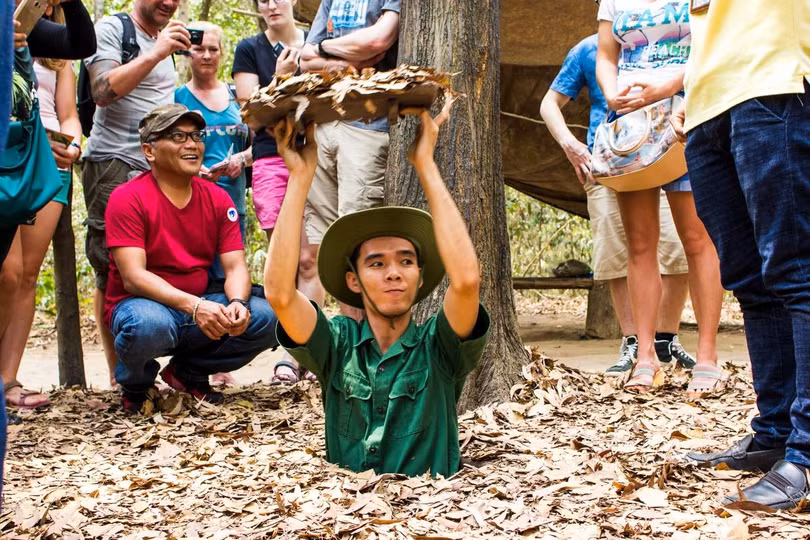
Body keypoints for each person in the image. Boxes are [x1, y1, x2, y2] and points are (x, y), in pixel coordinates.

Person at [264, 100, 490, 477]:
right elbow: (279, 295)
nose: (393, 274)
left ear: (420, 277)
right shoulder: (337, 345)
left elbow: (467, 281)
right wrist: (301, 177)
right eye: (377, 263)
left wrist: (425, 164)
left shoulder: (438, 347)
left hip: (433, 509)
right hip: (349, 511)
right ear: (353, 280)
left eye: (406, 261)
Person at [671, 0, 810, 510]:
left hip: (774, 82)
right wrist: (689, 88)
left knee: (797, 272)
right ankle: (775, 433)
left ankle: (806, 455)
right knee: (751, 282)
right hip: (707, 107)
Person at [104, 104, 278, 413]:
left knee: (266, 315)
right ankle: (136, 384)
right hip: (144, 306)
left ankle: (188, 372)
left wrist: (238, 303)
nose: (192, 144)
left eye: (196, 136)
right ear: (149, 150)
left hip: (200, 303)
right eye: (178, 137)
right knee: (146, 326)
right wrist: (195, 306)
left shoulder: (217, 197)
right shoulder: (127, 197)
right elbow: (133, 277)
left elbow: (235, 266)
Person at [540, 33, 695, 376]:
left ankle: (665, 338)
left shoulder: (666, 36)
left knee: (679, 252)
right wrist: (571, 145)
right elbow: (548, 104)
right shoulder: (587, 49)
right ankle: (632, 341)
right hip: (609, 162)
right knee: (616, 254)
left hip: (664, 157)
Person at [595, 0, 724, 396]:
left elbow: (715, 43)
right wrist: (610, 93)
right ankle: (646, 356)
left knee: (697, 239)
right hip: (631, 126)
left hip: (686, 115)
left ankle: (707, 356)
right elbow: (606, 55)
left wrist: (671, 86)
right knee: (639, 242)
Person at [83, 0, 186, 387]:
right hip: (113, 163)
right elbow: (102, 90)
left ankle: (139, 363)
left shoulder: (165, 38)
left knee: (150, 265)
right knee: (110, 267)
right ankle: (118, 371)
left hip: (156, 169)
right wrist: (157, 52)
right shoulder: (114, 29)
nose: (170, 3)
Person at [1, 3, 84, 410]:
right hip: (11, 159)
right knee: (8, 271)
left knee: (27, 274)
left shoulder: (54, 51)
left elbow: (69, 115)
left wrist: (74, 144)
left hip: (49, 168)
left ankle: (7, 378)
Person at [175, 21, 250, 263]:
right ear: (187, 53)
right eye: (199, 49)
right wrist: (193, 169)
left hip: (233, 206)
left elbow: (262, 145)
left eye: (213, 49)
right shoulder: (176, 98)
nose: (206, 56)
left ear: (221, 53)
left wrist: (242, 158)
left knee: (232, 272)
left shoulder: (238, 95)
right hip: (190, 205)